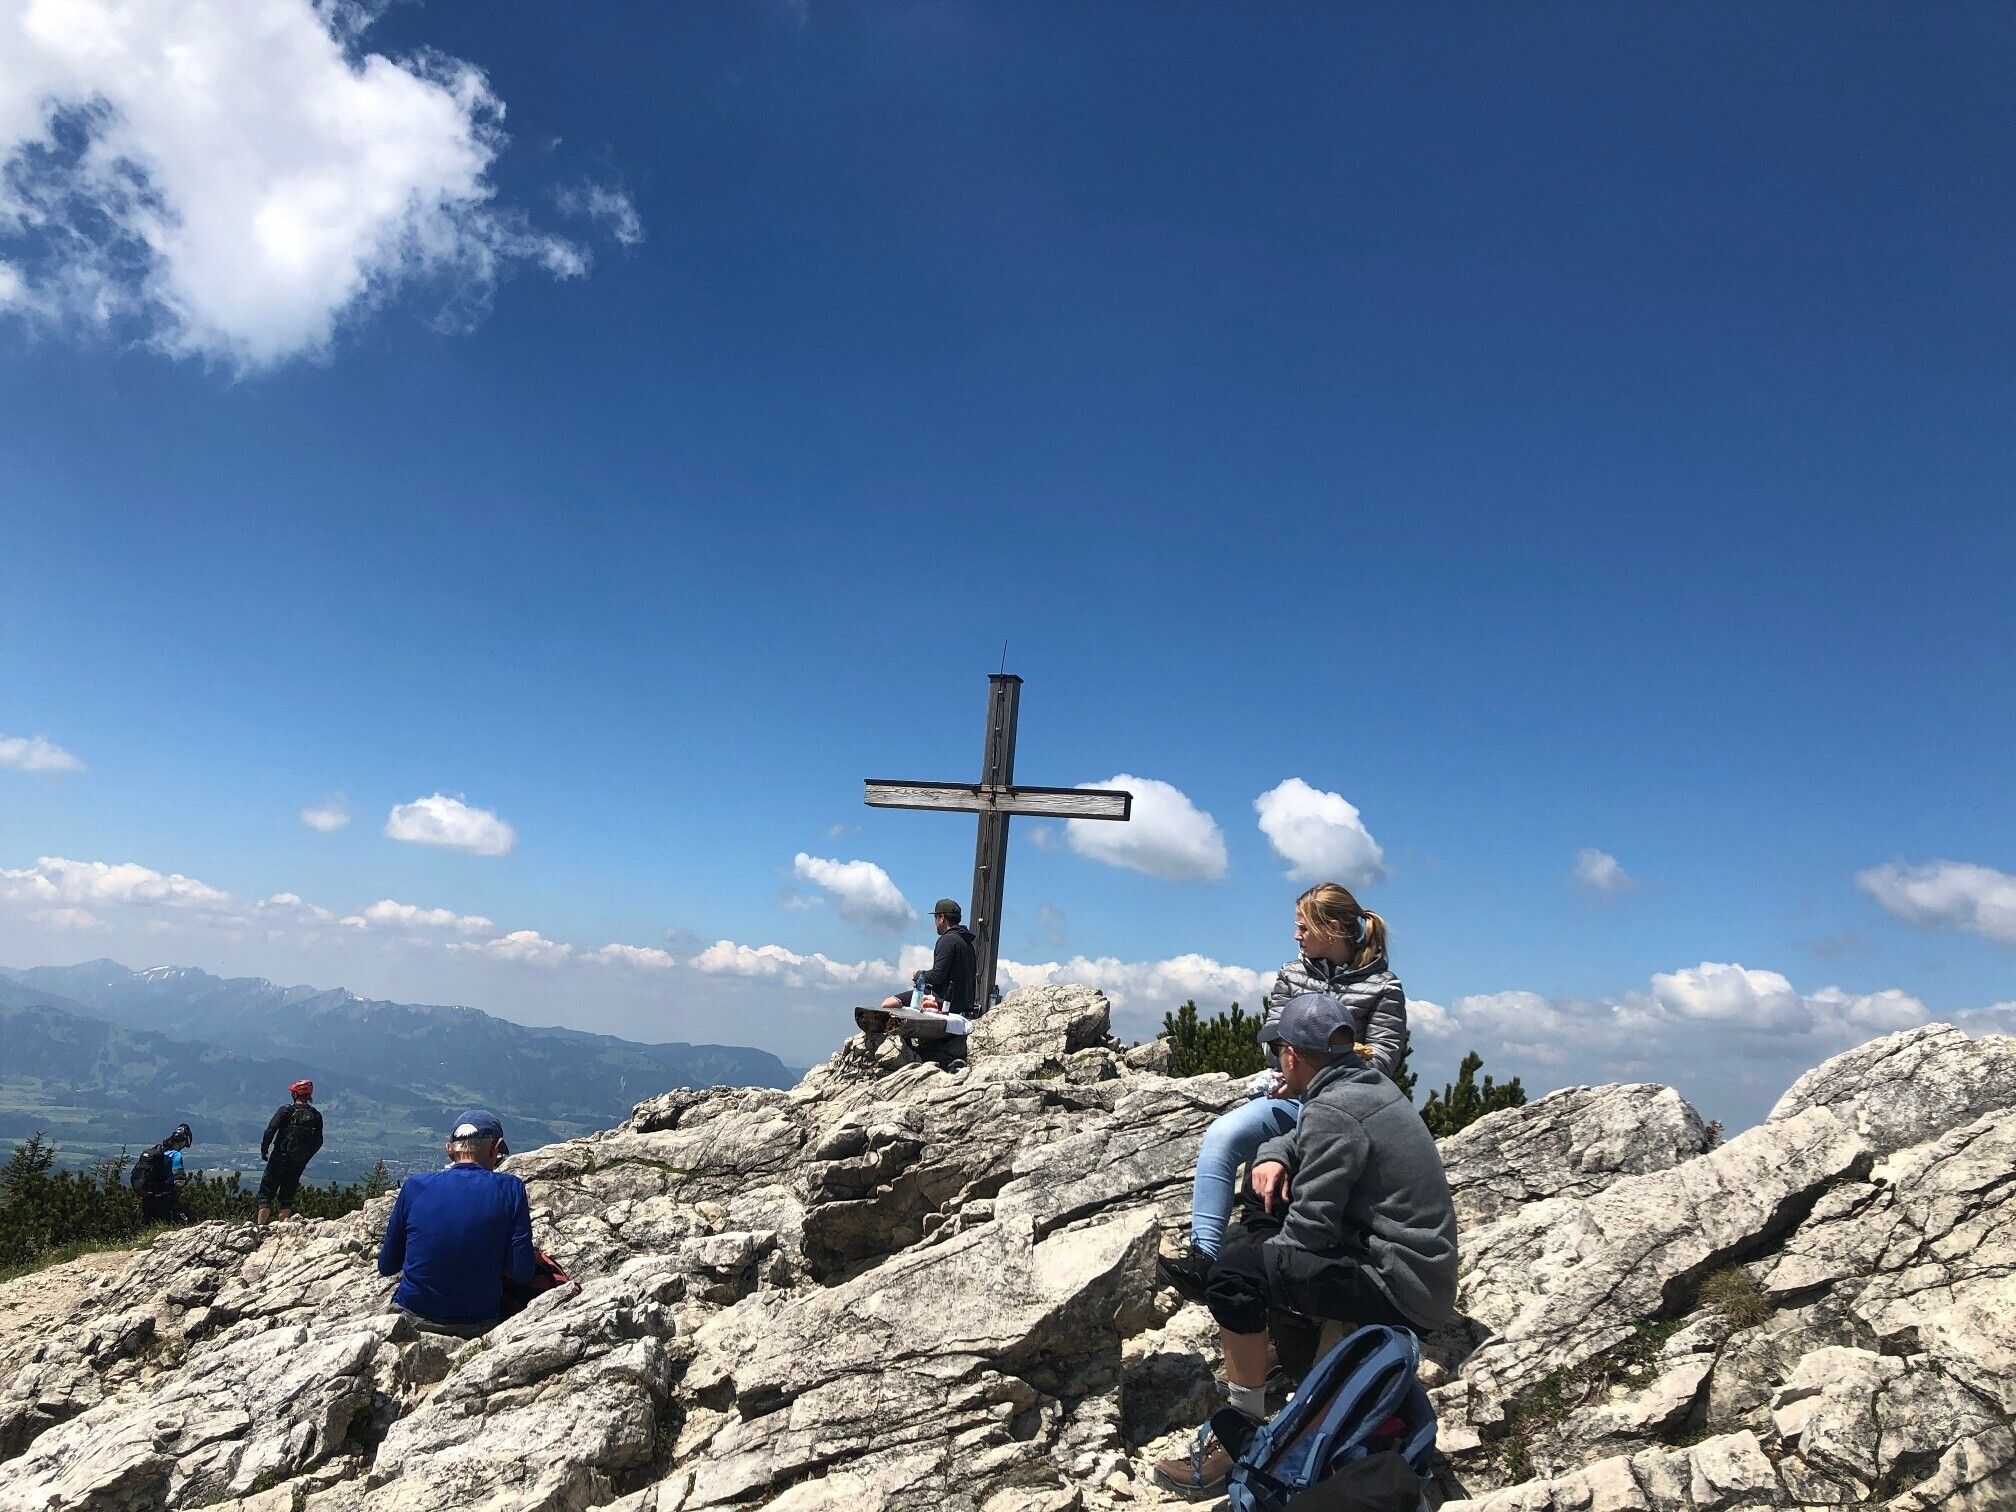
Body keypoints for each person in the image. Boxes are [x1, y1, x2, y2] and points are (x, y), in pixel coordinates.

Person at [1152, 994, 1458, 1499]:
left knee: (1232, 1277)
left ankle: (1243, 1430)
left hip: (1402, 1291)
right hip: (1406, 1266)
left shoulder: (1335, 1110)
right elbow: (1298, 1139)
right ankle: (1285, 1337)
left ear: (1292, 1056)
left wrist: (1251, 1267)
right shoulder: (1361, 1084)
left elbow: (1310, 1231)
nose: (1276, 1064)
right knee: (1262, 1199)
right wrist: (1271, 1157)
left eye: (1278, 1054)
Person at [1157, 882, 1407, 1297]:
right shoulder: (1292, 974)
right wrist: (1302, 1061)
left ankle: (1276, 1272)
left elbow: (1382, 1061)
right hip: (1290, 1097)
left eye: (1304, 927)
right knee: (1222, 1135)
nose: (1296, 935)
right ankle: (1203, 1258)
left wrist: (1310, 1062)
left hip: (1344, 1108)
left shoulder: (1384, 987)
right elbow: (1272, 1039)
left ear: (1332, 929)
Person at [377, 1108, 536, 1338]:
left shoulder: (414, 1186)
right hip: (478, 1324)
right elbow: (522, 1274)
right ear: (495, 1147)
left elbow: (387, 1266)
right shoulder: (511, 1188)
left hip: (411, 1318)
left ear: (449, 1149)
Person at [256, 1079, 325, 1226]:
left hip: (279, 1157)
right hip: (298, 1161)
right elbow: (318, 1141)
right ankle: (282, 1229)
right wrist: (305, 1158)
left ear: (295, 1094)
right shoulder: (316, 1116)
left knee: (266, 1195)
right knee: (287, 1197)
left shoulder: (285, 1111)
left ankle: (260, 1228)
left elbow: (270, 1130)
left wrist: (264, 1149)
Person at [132, 1123, 195, 1225]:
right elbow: (179, 1181)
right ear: (183, 1141)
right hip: (164, 1197)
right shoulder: (176, 1155)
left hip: (148, 1196)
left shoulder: (160, 1151)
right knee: (181, 1221)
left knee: (147, 1224)